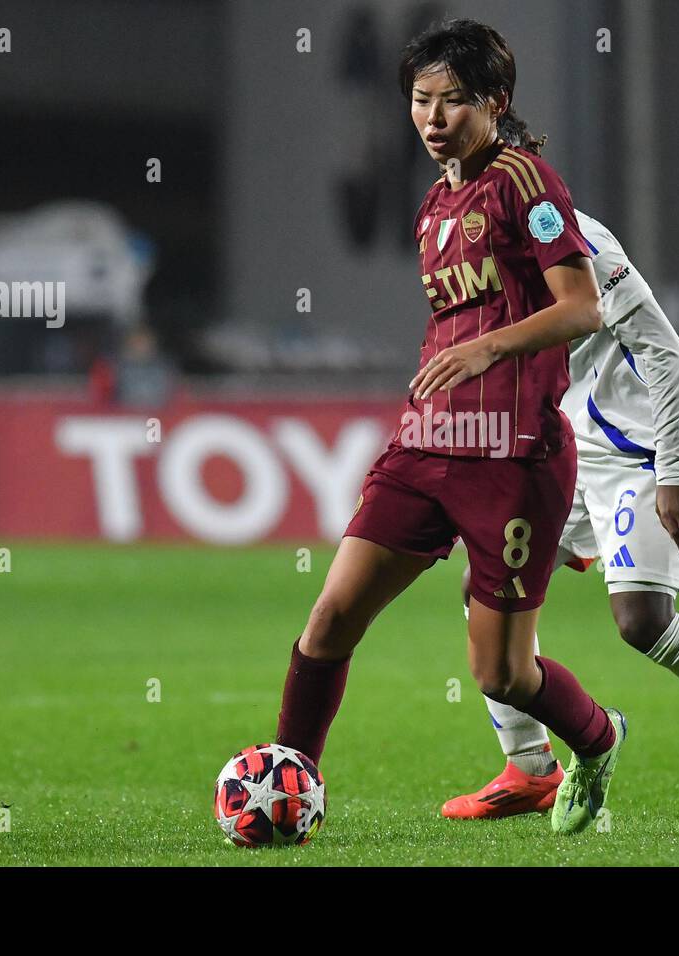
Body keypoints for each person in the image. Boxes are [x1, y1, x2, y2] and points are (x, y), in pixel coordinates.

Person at [272, 19, 624, 834]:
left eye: (453, 101)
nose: (432, 118)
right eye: (420, 101)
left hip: (513, 459)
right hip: (425, 447)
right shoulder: (435, 202)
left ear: (495, 103)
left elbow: (581, 306)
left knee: (504, 674)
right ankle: (291, 785)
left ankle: (599, 740)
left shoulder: (525, 184)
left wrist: (487, 351)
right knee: (329, 620)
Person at [441, 207, 679, 822]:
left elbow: (664, 348)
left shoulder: (573, 237)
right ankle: (531, 767)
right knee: (485, 588)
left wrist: (673, 470)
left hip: (644, 452)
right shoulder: (462, 238)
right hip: (567, 451)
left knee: (642, 622)